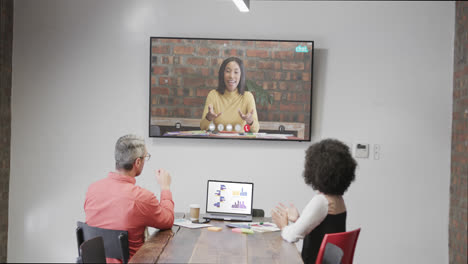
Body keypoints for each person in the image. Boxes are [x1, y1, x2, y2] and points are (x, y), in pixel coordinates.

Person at [84, 134, 174, 263]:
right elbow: (168, 220)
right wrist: (165, 187)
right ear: (138, 162)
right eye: (145, 158)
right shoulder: (141, 198)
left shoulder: (92, 190)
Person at [271, 139, 357, 264]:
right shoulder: (339, 200)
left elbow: (291, 236)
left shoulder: (321, 201)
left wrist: (283, 226)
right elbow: (322, 228)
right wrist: (298, 219)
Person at [200, 57, 259, 133]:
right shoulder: (213, 95)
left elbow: (255, 130)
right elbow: (202, 127)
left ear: (241, 75)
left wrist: (250, 121)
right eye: (228, 71)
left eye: (236, 72)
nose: (231, 76)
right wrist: (208, 117)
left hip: (240, 143)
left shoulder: (248, 97)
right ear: (222, 74)